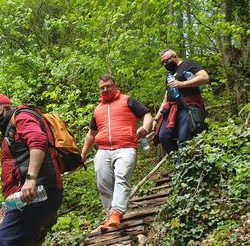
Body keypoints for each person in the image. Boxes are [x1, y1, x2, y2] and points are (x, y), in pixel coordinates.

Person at [0, 94, 63, 246]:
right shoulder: (11, 126)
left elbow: (38, 142)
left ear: (6, 108)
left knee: (4, 242)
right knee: (13, 245)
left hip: (36, 192)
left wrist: (31, 179)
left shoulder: (22, 117)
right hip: (31, 194)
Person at [81, 74, 152, 231]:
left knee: (121, 177)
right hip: (103, 150)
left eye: (108, 86)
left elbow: (146, 114)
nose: (105, 89)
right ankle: (110, 217)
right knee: (103, 183)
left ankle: (116, 213)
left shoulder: (128, 101)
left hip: (126, 147)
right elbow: (91, 134)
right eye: (102, 87)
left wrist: (146, 127)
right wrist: (83, 155)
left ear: (115, 85)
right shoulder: (97, 109)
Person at [153, 49, 210, 154]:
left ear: (174, 56)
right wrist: (156, 119)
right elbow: (165, 99)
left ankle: (184, 163)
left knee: (184, 138)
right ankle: (179, 161)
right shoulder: (169, 76)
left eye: (166, 61)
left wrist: (182, 84)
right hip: (172, 110)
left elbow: (205, 77)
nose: (165, 64)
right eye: (163, 63)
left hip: (187, 107)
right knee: (163, 136)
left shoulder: (189, 64)